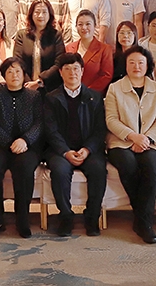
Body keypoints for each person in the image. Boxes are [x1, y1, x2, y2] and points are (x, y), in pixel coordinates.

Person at [106, 46, 156, 244]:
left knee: (150, 167)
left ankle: (143, 222)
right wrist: (133, 137)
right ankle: (144, 221)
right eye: (131, 62)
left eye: (141, 62)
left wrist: (147, 138)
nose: (136, 66)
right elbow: (111, 119)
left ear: (148, 65)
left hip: (151, 142)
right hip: (121, 141)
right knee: (128, 164)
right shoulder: (115, 88)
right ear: (125, 65)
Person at [43, 53, 107, 237]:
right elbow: (51, 130)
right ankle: (66, 216)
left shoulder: (94, 97)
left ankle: (92, 217)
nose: (72, 72)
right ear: (60, 72)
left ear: (82, 71)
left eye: (76, 68)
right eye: (67, 69)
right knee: (59, 171)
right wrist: (65, 151)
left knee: (98, 170)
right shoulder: (51, 98)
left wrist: (87, 150)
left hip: (89, 150)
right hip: (60, 151)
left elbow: (100, 130)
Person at [0, 57, 43, 239]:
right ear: (4, 75)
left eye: (17, 71)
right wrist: (9, 142)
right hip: (0, 145)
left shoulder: (34, 96)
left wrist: (25, 140)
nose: (14, 75)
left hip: (27, 146)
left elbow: (39, 123)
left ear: (24, 74)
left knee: (24, 168)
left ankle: (22, 220)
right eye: (9, 71)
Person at [13, 0, 66, 92]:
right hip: (26, 87)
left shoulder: (56, 35)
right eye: (37, 12)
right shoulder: (22, 35)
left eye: (44, 12)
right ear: (31, 14)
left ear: (50, 15)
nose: (40, 15)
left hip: (51, 88)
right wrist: (28, 84)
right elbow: (18, 61)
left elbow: (59, 63)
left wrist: (39, 82)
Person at [65, 10, 114, 93]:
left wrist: (87, 92)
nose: (84, 27)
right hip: (71, 94)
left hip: (93, 95)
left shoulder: (105, 49)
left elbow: (106, 76)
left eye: (88, 24)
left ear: (95, 26)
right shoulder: (69, 48)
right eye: (80, 24)